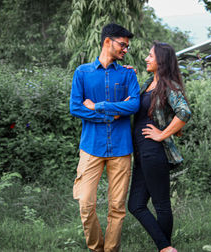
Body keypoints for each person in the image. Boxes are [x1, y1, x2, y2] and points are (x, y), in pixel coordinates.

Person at [69, 23, 140, 252]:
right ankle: (96, 248)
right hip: (91, 148)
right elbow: (76, 108)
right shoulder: (82, 72)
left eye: (127, 46)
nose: (125, 50)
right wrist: (114, 113)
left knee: (117, 207)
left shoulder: (128, 73)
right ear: (107, 41)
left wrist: (99, 107)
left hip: (121, 149)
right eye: (123, 44)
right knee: (86, 204)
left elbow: (135, 105)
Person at [128, 42, 191, 252]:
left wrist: (162, 134)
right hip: (142, 153)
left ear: (161, 60)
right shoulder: (149, 83)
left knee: (161, 204)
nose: (147, 58)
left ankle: (165, 249)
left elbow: (184, 112)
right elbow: (133, 104)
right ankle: (166, 248)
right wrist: (126, 73)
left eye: (150, 56)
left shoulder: (168, 85)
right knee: (135, 205)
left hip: (155, 152)